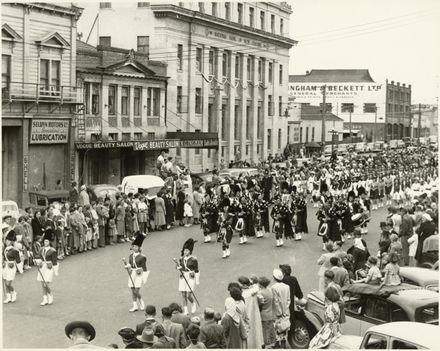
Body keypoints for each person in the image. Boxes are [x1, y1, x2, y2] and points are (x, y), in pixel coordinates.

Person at [124, 232, 149, 312]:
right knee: (132, 289)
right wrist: (127, 266)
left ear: (139, 248)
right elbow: (130, 265)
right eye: (133, 246)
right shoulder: (130, 256)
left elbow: (144, 268)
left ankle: (141, 300)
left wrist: (144, 278)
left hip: (139, 274)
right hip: (132, 273)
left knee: (136, 290)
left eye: (135, 246)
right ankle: (135, 305)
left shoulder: (142, 257)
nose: (134, 247)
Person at [35, 229, 59, 306]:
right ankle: (45, 299)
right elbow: (39, 257)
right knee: (42, 284)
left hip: (49, 267)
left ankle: (50, 295)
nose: (45, 243)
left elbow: (55, 262)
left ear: (50, 242)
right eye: (44, 241)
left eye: (47, 241)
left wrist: (55, 271)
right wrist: (37, 261)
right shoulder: (41, 249)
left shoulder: (53, 250)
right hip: (42, 267)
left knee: (46, 284)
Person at [238, 276, 264, 349]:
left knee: (248, 334)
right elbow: (262, 300)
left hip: (246, 316)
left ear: (244, 285)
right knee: (256, 332)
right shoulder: (254, 291)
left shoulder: (241, 294)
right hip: (255, 314)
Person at [176, 239, 200, 315]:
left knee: (189, 295)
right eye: (184, 251)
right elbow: (178, 267)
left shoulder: (194, 259)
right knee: (183, 294)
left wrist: (197, 280)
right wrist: (178, 268)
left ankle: (193, 303)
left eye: (186, 251)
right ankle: (186, 310)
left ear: (190, 251)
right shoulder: (181, 259)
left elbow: (196, 270)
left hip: (190, 276)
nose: (185, 252)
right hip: (183, 276)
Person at [271, 268, 290, 349]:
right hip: (286, 310)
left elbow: (276, 301)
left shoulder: (273, 287)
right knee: (284, 326)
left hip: (277, 312)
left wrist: (279, 312)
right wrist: (285, 310)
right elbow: (288, 300)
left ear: (274, 277)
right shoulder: (287, 286)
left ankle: (277, 344)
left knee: (277, 327)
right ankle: (283, 344)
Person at [3, 230, 23, 303]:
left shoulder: (14, 250)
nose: (6, 242)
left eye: (8, 241)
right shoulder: (5, 249)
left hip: (11, 267)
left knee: (8, 283)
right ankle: (8, 297)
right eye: (6, 240)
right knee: (5, 283)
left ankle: (13, 292)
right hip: (5, 267)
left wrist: (20, 270)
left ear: (11, 242)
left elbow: (18, 261)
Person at [257, 277, 276, 349]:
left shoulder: (260, 293)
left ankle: (267, 345)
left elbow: (259, 303)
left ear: (261, 284)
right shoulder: (269, 290)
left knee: (265, 331)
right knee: (271, 329)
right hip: (270, 313)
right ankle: (273, 343)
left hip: (263, 314)